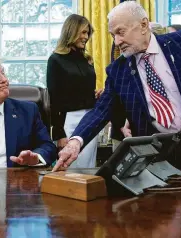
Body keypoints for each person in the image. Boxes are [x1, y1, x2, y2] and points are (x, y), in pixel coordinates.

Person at [53, 1, 181, 191]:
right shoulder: (118, 71)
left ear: (143, 25)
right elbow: (100, 111)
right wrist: (75, 141)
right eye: (112, 35)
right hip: (162, 156)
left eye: (120, 32)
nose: (116, 42)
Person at [46, 14, 104, 168]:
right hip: (69, 121)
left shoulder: (87, 60)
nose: (86, 37)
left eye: (87, 33)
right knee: (72, 169)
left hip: (91, 118)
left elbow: (82, 89)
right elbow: (54, 98)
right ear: (71, 31)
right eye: (83, 32)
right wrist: (59, 134)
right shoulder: (56, 60)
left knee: (88, 166)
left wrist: (95, 95)